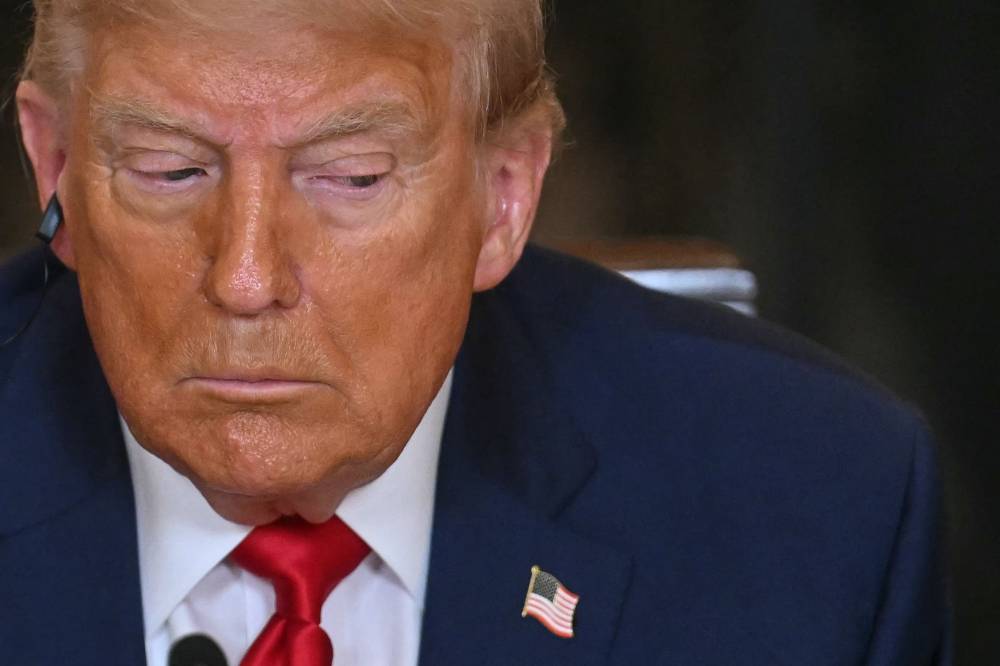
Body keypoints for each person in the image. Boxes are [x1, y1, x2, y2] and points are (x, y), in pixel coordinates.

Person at [0, 1, 949, 664]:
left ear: (503, 197)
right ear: (57, 167)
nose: (245, 279)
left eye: (353, 177)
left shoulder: (814, 509)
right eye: (171, 171)